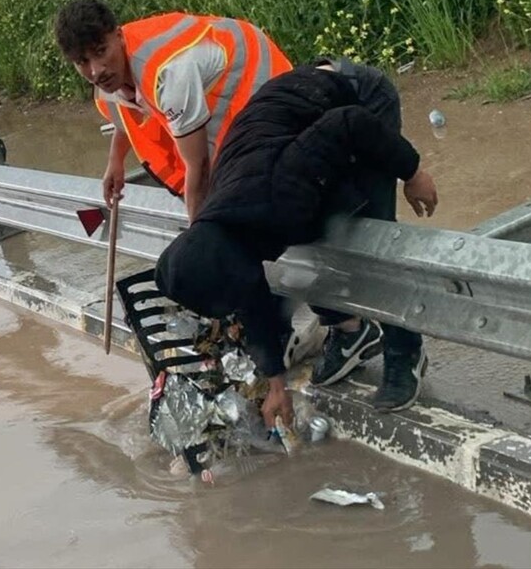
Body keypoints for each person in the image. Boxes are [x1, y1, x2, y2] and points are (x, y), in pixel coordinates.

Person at [153, 58, 438, 429]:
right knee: (312, 234)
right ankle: (354, 333)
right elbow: (251, 296)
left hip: (357, 99)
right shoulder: (221, 232)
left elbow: (349, 123)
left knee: (369, 236)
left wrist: (412, 172)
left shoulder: (277, 192)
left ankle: (405, 351)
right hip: (300, 120)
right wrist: (276, 383)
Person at [54, 0, 292, 222]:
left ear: (119, 36)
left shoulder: (170, 74)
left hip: (259, 76)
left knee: (246, 179)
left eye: (100, 52)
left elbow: (199, 166)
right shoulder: (110, 75)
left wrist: (197, 236)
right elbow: (124, 114)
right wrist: (116, 162)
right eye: (82, 62)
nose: (96, 71)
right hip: (204, 85)